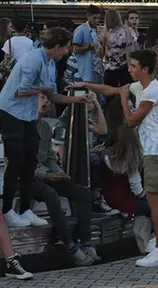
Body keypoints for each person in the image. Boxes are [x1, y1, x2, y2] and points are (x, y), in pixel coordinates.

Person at [78, 49, 158, 267]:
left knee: (155, 203)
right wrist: (85, 86)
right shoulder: (142, 87)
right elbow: (114, 90)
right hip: (153, 152)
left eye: (133, 66)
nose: (129, 69)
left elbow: (130, 121)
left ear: (145, 69)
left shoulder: (151, 92)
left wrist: (125, 99)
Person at [0, 27, 87, 228]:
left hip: (27, 114)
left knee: (30, 161)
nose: (67, 52)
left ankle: (24, 209)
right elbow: (22, 91)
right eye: (65, 48)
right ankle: (7, 211)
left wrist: (77, 100)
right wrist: (43, 89)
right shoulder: (33, 60)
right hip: (11, 111)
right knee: (16, 162)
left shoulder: (50, 63)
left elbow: (53, 96)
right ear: (56, 47)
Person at [33, 94, 98, 266]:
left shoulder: (45, 127)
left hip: (47, 173)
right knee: (50, 193)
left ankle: (86, 242)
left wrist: (59, 173)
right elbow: (20, 164)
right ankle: (69, 244)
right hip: (27, 177)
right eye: (41, 98)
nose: (46, 102)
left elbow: (49, 157)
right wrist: (46, 175)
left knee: (83, 193)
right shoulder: (22, 126)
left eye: (47, 99)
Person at [100, 9, 138, 88]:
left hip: (111, 69)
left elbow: (103, 49)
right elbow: (134, 48)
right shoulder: (128, 31)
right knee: (127, 95)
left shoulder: (106, 33)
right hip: (126, 68)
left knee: (110, 95)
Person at [72, 5, 102, 84]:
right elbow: (75, 49)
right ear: (88, 16)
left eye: (98, 18)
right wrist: (90, 46)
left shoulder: (98, 30)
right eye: (94, 18)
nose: (96, 21)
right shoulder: (81, 29)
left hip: (98, 70)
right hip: (86, 72)